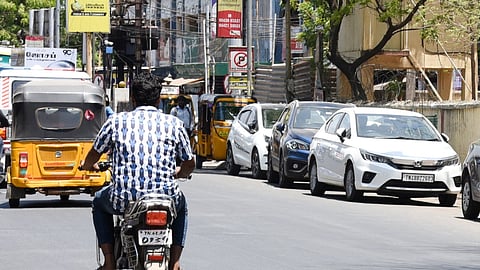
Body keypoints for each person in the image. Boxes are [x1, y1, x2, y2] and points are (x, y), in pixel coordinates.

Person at [81, 72, 195, 270]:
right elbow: (189, 162)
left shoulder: (115, 122)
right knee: (182, 207)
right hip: (166, 198)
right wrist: (180, 173)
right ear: (158, 100)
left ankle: (108, 261)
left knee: (99, 202)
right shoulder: (174, 124)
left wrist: (87, 165)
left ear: (132, 99)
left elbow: (93, 154)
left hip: (124, 200)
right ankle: (175, 262)